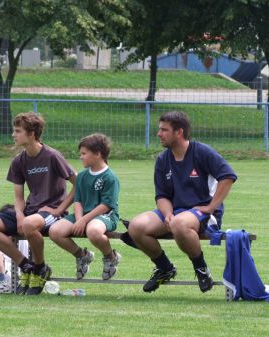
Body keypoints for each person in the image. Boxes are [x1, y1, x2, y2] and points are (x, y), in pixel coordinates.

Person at [128, 111, 237, 293]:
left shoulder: (201, 151)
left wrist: (211, 207)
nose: (159, 134)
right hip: (177, 212)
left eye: (164, 130)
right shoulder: (163, 159)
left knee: (179, 224)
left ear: (179, 132)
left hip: (202, 214)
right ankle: (164, 268)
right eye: (159, 129)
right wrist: (168, 214)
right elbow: (161, 195)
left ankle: (201, 268)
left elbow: (228, 176)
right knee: (136, 226)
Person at [0, 112, 76, 296]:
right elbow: (18, 198)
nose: (13, 135)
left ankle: (40, 268)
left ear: (31, 134)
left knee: (30, 224)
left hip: (51, 214)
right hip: (30, 212)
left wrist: (59, 209)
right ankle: (26, 266)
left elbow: (78, 184)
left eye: (18, 131)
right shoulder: (18, 161)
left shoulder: (53, 156)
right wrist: (19, 215)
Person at [49, 133, 122, 280]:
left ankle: (110, 257)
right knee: (55, 231)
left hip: (105, 216)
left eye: (84, 153)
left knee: (93, 231)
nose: (80, 156)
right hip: (82, 215)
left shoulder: (110, 177)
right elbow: (78, 200)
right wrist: (79, 219)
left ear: (98, 154)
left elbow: (106, 205)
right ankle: (82, 256)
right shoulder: (82, 176)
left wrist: (83, 220)